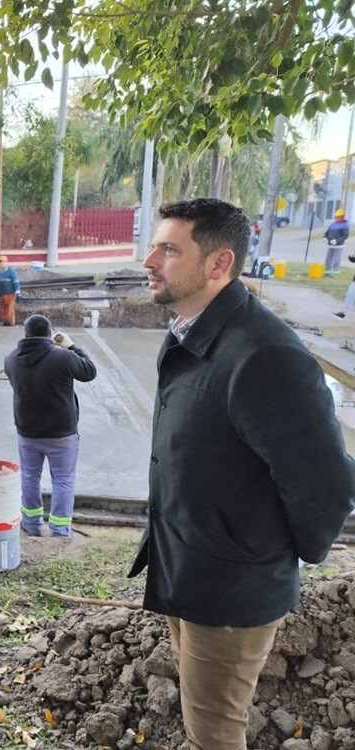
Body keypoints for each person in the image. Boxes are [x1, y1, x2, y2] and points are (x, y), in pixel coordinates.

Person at [130, 197, 355, 750]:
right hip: (188, 567)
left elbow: (327, 482)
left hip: (231, 586)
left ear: (218, 264)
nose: (149, 260)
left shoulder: (264, 355)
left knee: (213, 730)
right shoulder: (193, 329)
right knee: (202, 717)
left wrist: (268, 554)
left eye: (168, 249)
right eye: (154, 245)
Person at [3, 314, 96, 537]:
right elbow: (89, 371)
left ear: (25, 333)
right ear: (49, 333)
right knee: (63, 480)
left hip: (27, 432)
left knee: (29, 477)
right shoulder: (62, 357)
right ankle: (60, 530)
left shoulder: (10, 359)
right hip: (61, 432)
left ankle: (32, 525)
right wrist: (71, 346)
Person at [0, 254, 21, 326]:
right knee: (3, 311)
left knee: (10, 312)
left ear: (7, 262)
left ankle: (11, 326)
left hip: (11, 295)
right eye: (0, 262)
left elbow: (16, 282)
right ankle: (5, 326)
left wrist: (18, 292)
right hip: (2, 296)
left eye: (3, 262)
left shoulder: (11, 272)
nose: (1, 263)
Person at [324, 208, 349, 277]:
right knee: (328, 259)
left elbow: (345, 236)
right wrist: (325, 237)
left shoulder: (345, 225)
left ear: (342, 217)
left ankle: (335, 274)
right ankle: (327, 273)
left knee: (336, 260)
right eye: (336, 217)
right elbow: (327, 233)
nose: (336, 218)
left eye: (338, 217)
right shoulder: (332, 224)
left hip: (338, 246)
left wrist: (337, 241)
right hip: (330, 246)